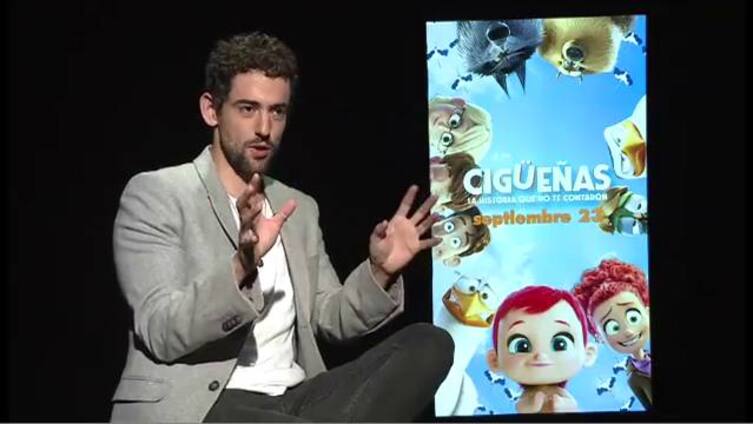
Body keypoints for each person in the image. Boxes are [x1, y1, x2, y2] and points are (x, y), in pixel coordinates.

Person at [110, 31, 453, 422]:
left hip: (294, 399)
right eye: (247, 109)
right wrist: (241, 267)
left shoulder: (298, 207)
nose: (264, 127)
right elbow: (161, 330)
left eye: (277, 112)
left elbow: (330, 318)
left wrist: (380, 271)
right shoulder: (158, 193)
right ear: (211, 110)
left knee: (429, 344)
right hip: (206, 405)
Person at [486, 285, 598, 414]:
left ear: (588, 354)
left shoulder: (565, 398)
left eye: (560, 344)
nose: (540, 356)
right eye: (521, 346)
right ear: (494, 360)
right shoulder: (526, 402)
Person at [571, 258, 652, 409]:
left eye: (633, 317)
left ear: (647, 311)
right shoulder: (634, 380)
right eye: (612, 327)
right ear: (600, 338)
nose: (628, 331)